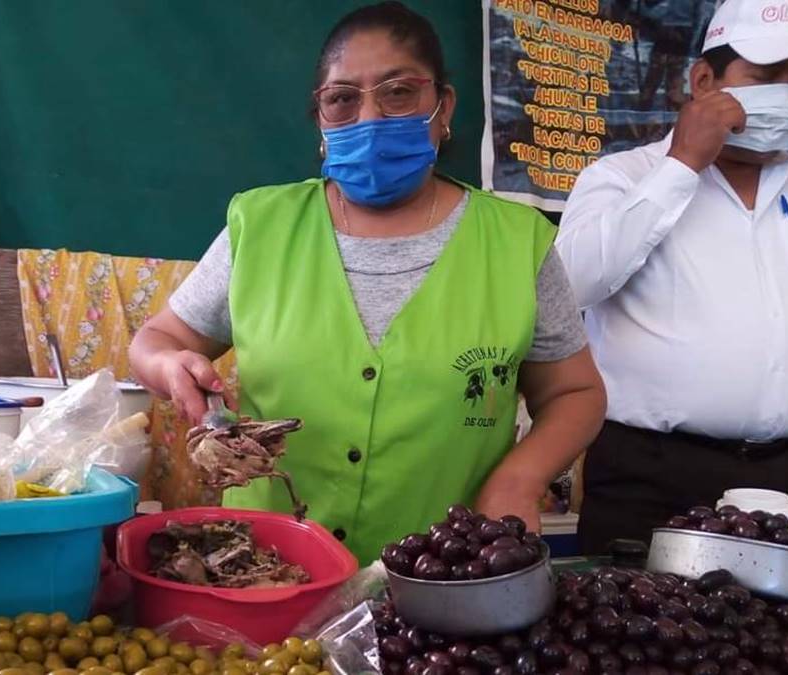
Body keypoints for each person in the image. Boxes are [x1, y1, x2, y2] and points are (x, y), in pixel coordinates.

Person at [129, 1, 606, 563]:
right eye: (342, 99)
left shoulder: (516, 243)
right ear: (321, 120)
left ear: (443, 106)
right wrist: (168, 365)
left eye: (399, 92)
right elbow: (157, 340)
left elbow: (574, 393)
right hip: (266, 572)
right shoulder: (260, 227)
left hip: (443, 577)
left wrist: (520, 480)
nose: (370, 118)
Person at [557, 0, 788, 554]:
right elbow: (572, 285)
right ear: (704, 81)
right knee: (635, 636)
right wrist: (681, 167)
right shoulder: (623, 177)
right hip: (650, 477)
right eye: (766, 77)